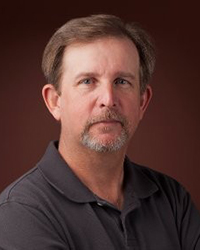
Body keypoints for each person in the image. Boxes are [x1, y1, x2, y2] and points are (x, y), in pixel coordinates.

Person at [0, 14, 199, 250]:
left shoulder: (173, 199)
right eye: (87, 81)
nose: (108, 99)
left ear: (142, 102)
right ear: (55, 101)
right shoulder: (21, 212)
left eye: (122, 82)